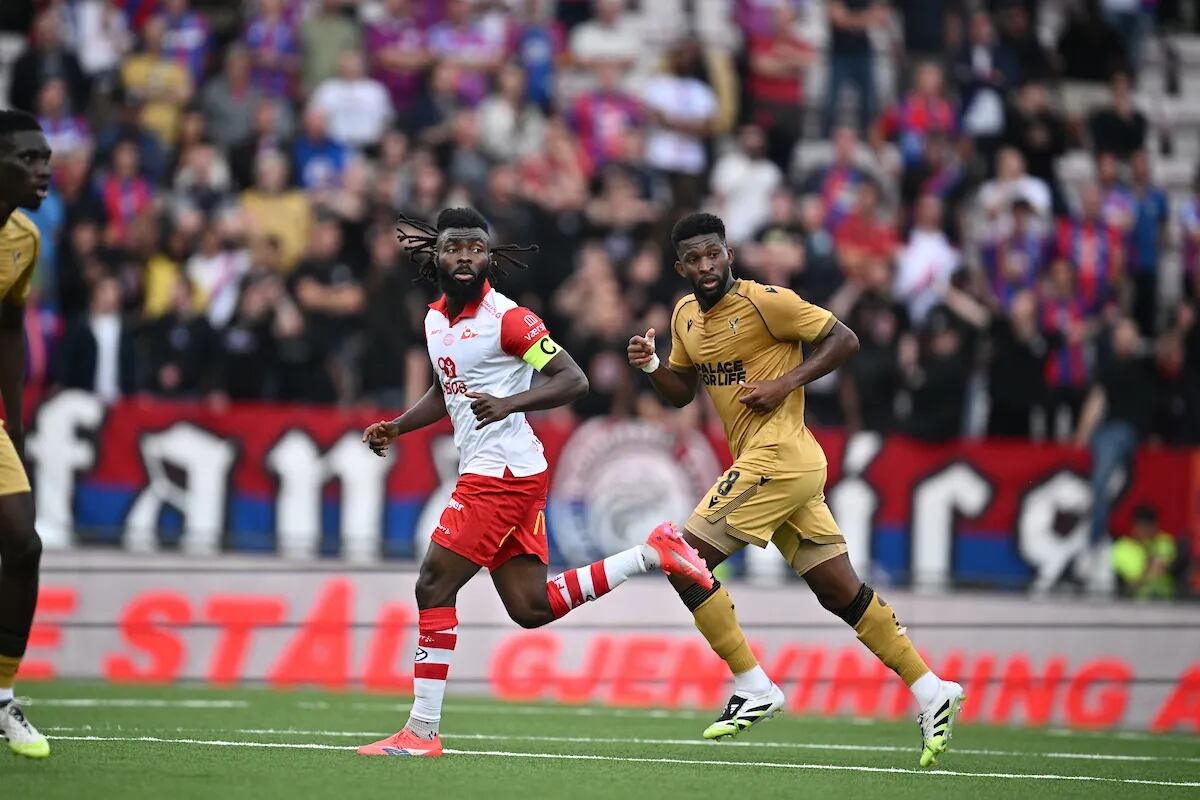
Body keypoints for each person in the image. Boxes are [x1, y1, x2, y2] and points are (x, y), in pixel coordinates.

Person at [354, 208, 712, 758]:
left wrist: (510, 403)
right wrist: (399, 426)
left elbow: (573, 379)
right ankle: (651, 553)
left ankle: (421, 732)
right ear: (436, 256)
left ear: (490, 257)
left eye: (477, 247)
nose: (466, 256)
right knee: (529, 608)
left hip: (499, 474)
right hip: (512, 471)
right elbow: (448, 388)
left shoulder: (510, 319)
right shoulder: (434, 321)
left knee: (433, 585)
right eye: (455, 247)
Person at [627, 212, 963, 766]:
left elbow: (844, 339)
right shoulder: (685, 314)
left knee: (681, 555)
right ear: (679, 266)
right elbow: (682, 393)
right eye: (694, 259)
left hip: (780, 457)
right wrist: (653, 365)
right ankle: (932, 690)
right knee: (839, 592)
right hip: (777, 468)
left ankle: (753, 683)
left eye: (714, 253)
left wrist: (785, 382)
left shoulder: (767, 302)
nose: (706, 266)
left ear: (728, 252)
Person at [0, 109, 52, 758]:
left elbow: (8, 328)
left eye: (46, 159)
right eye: (28, 158)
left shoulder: (23, 239)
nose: (43, 169)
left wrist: (13, 426)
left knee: (22, 541)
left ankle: (2, 697)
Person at [1112, 505, 1178, 600]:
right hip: (1136, 605)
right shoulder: (1122, 548)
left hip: (1167, 603)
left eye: (1149, 527)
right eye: (1142, 527)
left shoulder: (1164, 541)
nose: (1146, 532)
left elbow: (1173, 565)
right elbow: (1129, 586)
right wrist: (1148, 570)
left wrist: (1167, 566)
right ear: (1134, 526)